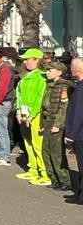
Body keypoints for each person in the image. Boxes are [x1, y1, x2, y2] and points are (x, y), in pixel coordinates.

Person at [14, 48, 49, 185]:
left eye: (28, 59)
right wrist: (18, 111)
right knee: (27, 142)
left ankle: (44, 173)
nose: (25, 62)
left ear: (36, 60)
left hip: (35, 115)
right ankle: (33, 169)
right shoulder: (25, 77)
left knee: (37, 144)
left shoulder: (42, 77)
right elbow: (19, 94)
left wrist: (32, 115)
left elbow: (40, 98)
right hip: (23, 113)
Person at [39, 59, 72, 191]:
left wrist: (58, 124)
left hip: (56, 122)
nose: (47, 72)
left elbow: (64, 107)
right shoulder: (50, 84)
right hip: (47, 120)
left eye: (49, 70)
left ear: (59, 72)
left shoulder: (64, 86)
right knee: (45, 151)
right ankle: (54, 179)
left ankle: (65, 180)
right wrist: (42, 122)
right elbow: (44, 105)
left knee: (56, 153)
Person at [61, 58, 83, 203]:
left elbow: (78, 113)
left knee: (82, 164)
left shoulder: (81, 89)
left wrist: (71, 134)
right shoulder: (79, 86)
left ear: (77, 69)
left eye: (72, 67)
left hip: (80, 133)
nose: (70, 70)